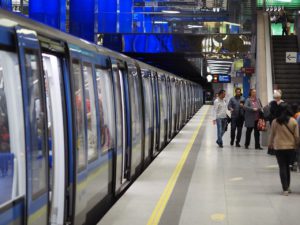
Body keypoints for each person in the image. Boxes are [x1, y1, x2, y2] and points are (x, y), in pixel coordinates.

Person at [269, 103, 299, 196]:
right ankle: (288, 186)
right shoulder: (293, 121)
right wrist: (297, 145)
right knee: (287, 167)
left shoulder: (275, 121)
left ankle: (285, 189)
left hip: (279, 147)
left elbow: (272, 134)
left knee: (282, 167)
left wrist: (270, 144)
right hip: (290, 147)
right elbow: (297, 136)